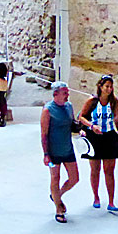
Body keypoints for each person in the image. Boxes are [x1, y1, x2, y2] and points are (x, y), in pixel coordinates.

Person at [77, 75, 118, 212]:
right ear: (100, 87)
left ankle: (111, 201)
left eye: (111, 86)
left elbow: (117, 119)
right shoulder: (92, 101)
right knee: (95, 169)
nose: (109, 89)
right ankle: (96, 197)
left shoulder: (114, 102)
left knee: (109, 171)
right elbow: (82, 117)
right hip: (94, 136)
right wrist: (91, 126)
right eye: (106, 86)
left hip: (109, 136)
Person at [41, 81, 80, 223]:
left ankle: (57, 195)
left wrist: (79, 128)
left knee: (74, 178)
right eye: (65, 93)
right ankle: (58, 208)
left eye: (67, 93)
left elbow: (72, 124)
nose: (67, 95)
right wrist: (46, 154)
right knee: (55, 178)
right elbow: (44, 134)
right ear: (56, 94)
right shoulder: (48, 110)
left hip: (67, 148)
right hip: (53, 151)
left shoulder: (69, 107)